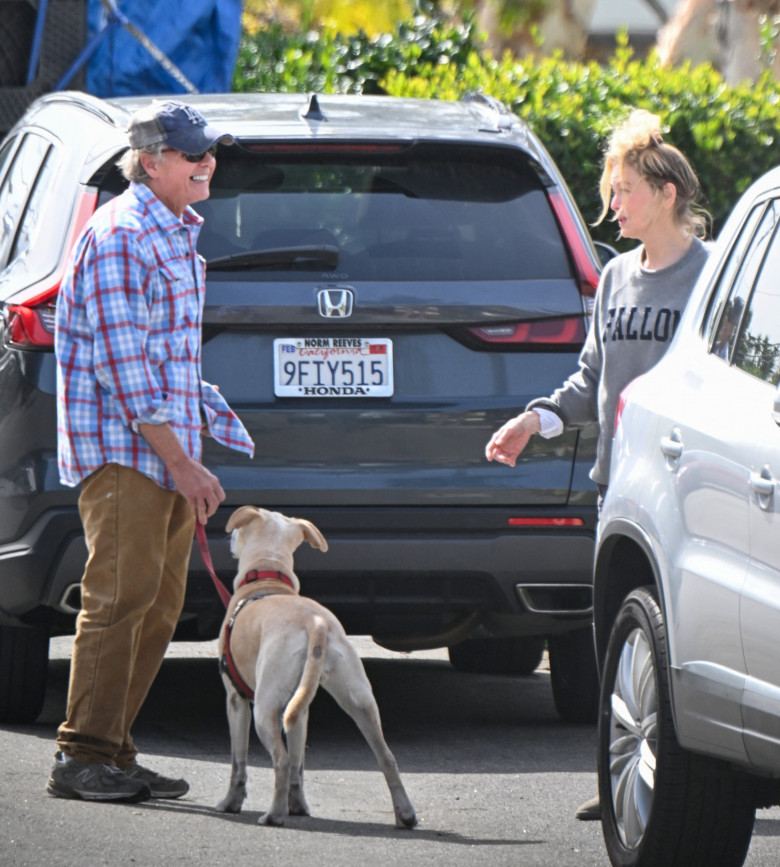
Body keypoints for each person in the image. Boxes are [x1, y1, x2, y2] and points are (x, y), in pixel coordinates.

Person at [485, 108, 710, 821]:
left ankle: (688, 784)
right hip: (620, 489)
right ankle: (625, 776)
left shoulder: (711, 279)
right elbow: (589, 383)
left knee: (678, 641)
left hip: (691, 493)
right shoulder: (613, 279)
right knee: (619, 641)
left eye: (624, 191)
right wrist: (534, 419)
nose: (611, 206)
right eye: (611, 192)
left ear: (666, 193)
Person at [48, 100, 255, 802]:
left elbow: (164, 360)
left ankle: (112, 748)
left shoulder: (169, 231)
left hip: (159, 452)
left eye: (209, 151)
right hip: (125, 455)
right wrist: (184, 460)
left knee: (157, 604)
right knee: (119, 600)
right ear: (150, 161)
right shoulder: (121, 236)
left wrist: (197, 442)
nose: (207, 163)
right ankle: (82, 755)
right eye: (192, 152)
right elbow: (127, 371)